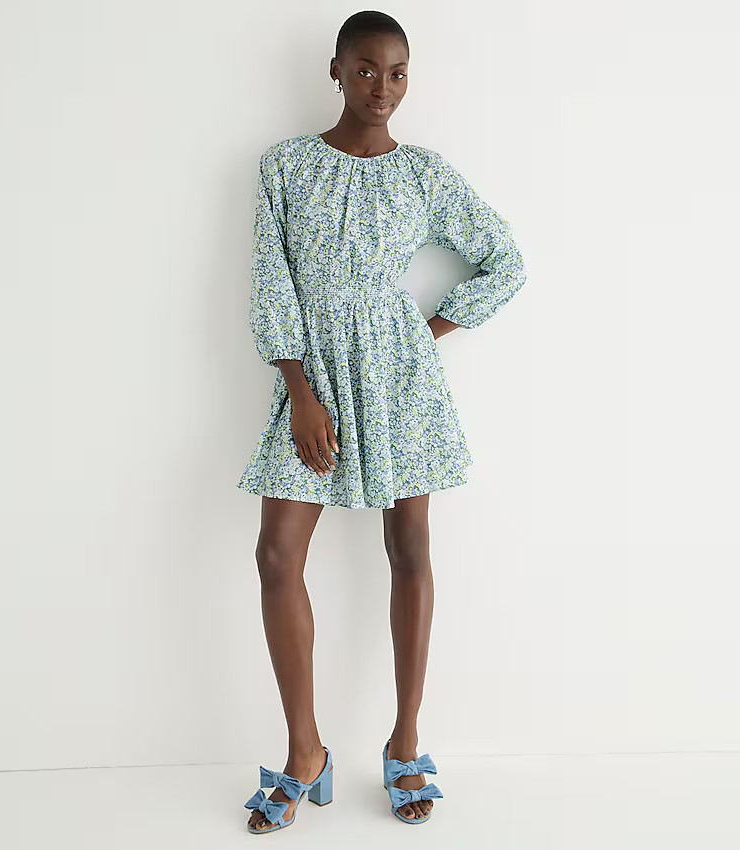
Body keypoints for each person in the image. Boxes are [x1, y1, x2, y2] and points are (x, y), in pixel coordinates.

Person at [237, 10, 527, 833]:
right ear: (336, 71)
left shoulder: (425, 175)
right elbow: (270, 281)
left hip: (400, 384)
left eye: (397, 73)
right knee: (276, 554)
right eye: (366, 69)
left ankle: (404, 743)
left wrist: (422, 337)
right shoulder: (285, 166)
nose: (382, 88)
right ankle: (306, 753)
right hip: (313, 380)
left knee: (410, 551)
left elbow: (506, 261)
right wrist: (300, 391)